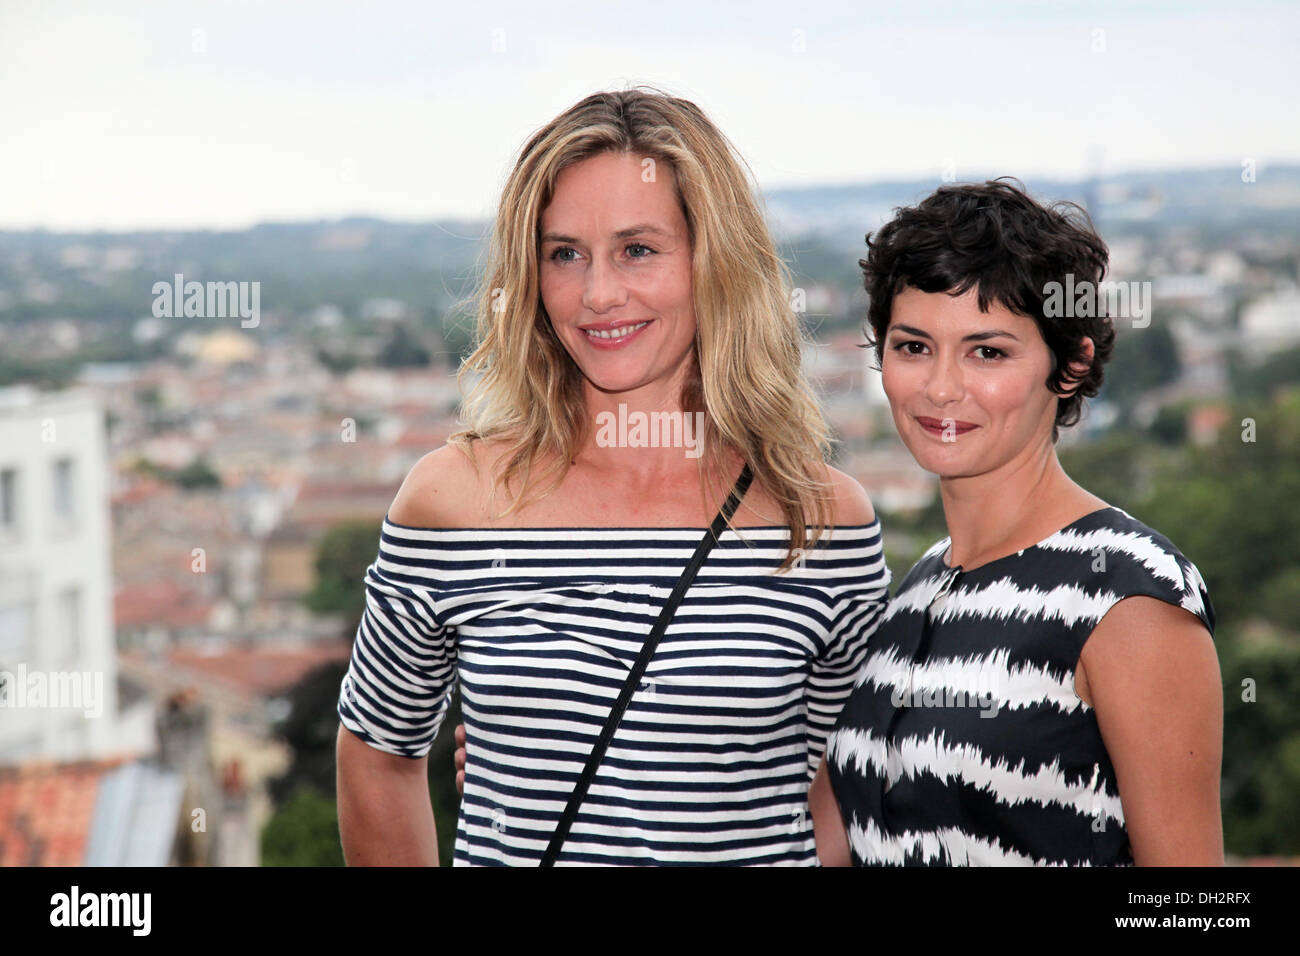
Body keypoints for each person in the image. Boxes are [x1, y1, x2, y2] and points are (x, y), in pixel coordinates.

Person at [335, 87, 891, 866]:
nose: (598, 294)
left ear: (713, 261)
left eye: (638, 249)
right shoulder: (453, 504)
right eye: (565, 253)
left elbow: (843, 784)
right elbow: (378, 758)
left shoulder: (820, 519)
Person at [810, 179, 1223, 866]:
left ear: (1071, 365)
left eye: (988, 352)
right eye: (913, 346)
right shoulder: (914, 591)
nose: (941, 387)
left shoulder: (1128, 594)